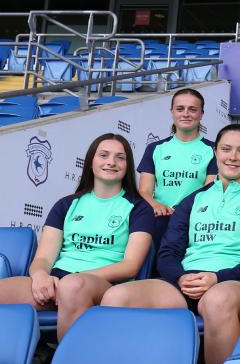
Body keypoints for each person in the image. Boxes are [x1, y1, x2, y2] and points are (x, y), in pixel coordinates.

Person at [101, 124, 240, 364]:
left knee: (218, 300)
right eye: (226, 149)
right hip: (185, 282)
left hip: (236, 283)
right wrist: (180, 277)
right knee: (116, 297)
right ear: (215, 152)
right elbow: (168, 253)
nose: (233, 157)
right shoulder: (193, 200)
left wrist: (218, 277)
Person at [0, 133, 154, 340]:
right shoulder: (65, 204)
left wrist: (73, 279)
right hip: (56, 282)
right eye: (104, 155)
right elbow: (43, 258)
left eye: (120, 157)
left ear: (127, 166)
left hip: (102, 284)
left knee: (73, 286)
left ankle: (71, 360)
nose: (111, 162)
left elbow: (130, 266)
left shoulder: (139, 208)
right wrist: (40, 276)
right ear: (91, 161)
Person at [137, 88, 216, 241]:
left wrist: (183, 211)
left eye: (192, 109)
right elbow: (144, 191)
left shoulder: (213, 150)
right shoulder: (155, 148)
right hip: (160, 220)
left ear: (201, 114)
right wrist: (157, 205)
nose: (186, 114)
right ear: (172, 112)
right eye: (180, 109)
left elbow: (208, 193)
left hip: (194, 221)